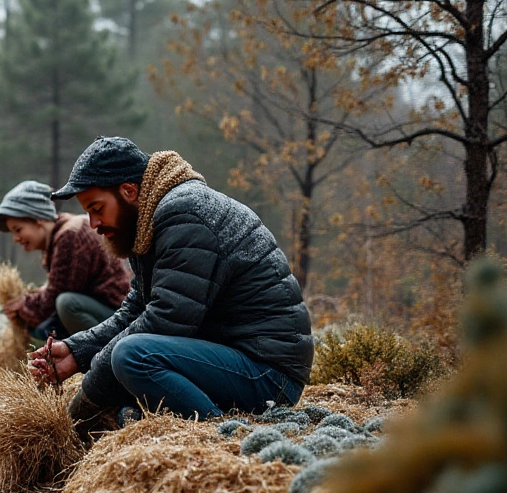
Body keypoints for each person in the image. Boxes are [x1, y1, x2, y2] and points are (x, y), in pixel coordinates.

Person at [27, 136, 313, 440]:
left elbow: (168, 319)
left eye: (97, 208)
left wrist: (89, 395)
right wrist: (76, 350)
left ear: (128, 191)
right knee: (127, 383)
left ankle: (218, 436)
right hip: (233, 357)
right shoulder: (148, 218)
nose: (93, 223)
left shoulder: (185, 214)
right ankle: (149, 419)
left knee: (131, 356)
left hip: (268, 373)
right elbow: (138, 306)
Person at [0, 180, 131, 340]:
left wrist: (23, 306)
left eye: (18, 230)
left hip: (119, 316)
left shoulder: (70, 236)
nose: (15, 238)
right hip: (102, 310)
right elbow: (57, 286)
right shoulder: (61, 235)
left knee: (66, 304)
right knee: (43, 326)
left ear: (38, 219)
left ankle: (100, 352)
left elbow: (55, 295)